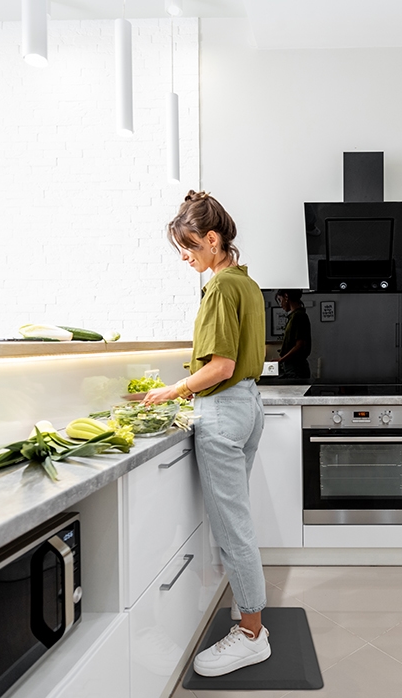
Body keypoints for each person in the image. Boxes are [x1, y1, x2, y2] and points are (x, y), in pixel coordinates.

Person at [143, 191, 270, 677]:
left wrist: (174, 390)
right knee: (237, 521)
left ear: (212, 239)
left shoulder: (218, 288)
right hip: (249, 406)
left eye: (189, 246)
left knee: (233, 528)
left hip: (223, 409)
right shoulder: (246, 283)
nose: (185, 257)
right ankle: (248, 616)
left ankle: (252, 635)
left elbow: (221, 366)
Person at [275, 289, 312, 378]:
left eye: (280, 300)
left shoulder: (298, 316)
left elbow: (299, 345)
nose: (280, 304)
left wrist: (281, 360)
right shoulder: (295, 316)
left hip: (295, 367)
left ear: (286, 297)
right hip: (293, 366)